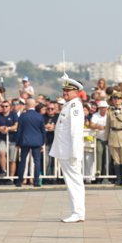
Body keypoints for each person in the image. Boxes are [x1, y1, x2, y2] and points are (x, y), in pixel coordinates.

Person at [49, 74, 86, 223]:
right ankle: (76, 211)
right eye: (64, 91)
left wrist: (75, 153)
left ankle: (78, 212)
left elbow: (75, 131)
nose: (65, 93)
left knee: (74, 182)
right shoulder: (69, 105)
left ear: (76, 91)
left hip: (70, 152)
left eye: (68, 91)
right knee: (72, 182)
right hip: (65, 151)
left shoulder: (75, 106)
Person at [14, 99, 46, 187]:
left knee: (23, 161)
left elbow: (19, 131)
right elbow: (43, 131)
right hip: (36, 142)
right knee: (37, 161)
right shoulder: (39, 116)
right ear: (34, 105)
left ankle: (19, 181)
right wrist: (43, 142)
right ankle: (36, 181)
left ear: (26, 105)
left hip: (25, 141)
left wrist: (17, 143)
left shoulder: (23, 116)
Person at [0, 100, 18, 177]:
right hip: (2, 139)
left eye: (6, 106)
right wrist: (0, 128)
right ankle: (4, 170)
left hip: (12, 139)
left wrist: (9, 128)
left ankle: (11, 177)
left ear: (9, 107)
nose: (4, 108)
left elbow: (16, 125)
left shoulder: (13, 114)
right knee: (1, 152)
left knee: (12, 159)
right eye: (3, 106)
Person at [91, 100, 109, 181]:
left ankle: (106, 174)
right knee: (99, 152)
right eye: (102, 108)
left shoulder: (109, 115)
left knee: (107, 157)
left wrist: (104, 127)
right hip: (99, 138)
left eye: (104, 108)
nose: (103, 109)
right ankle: (98, 171)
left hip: (108, 139)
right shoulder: (95, 115)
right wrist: (98, 126)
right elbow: (92, 124)